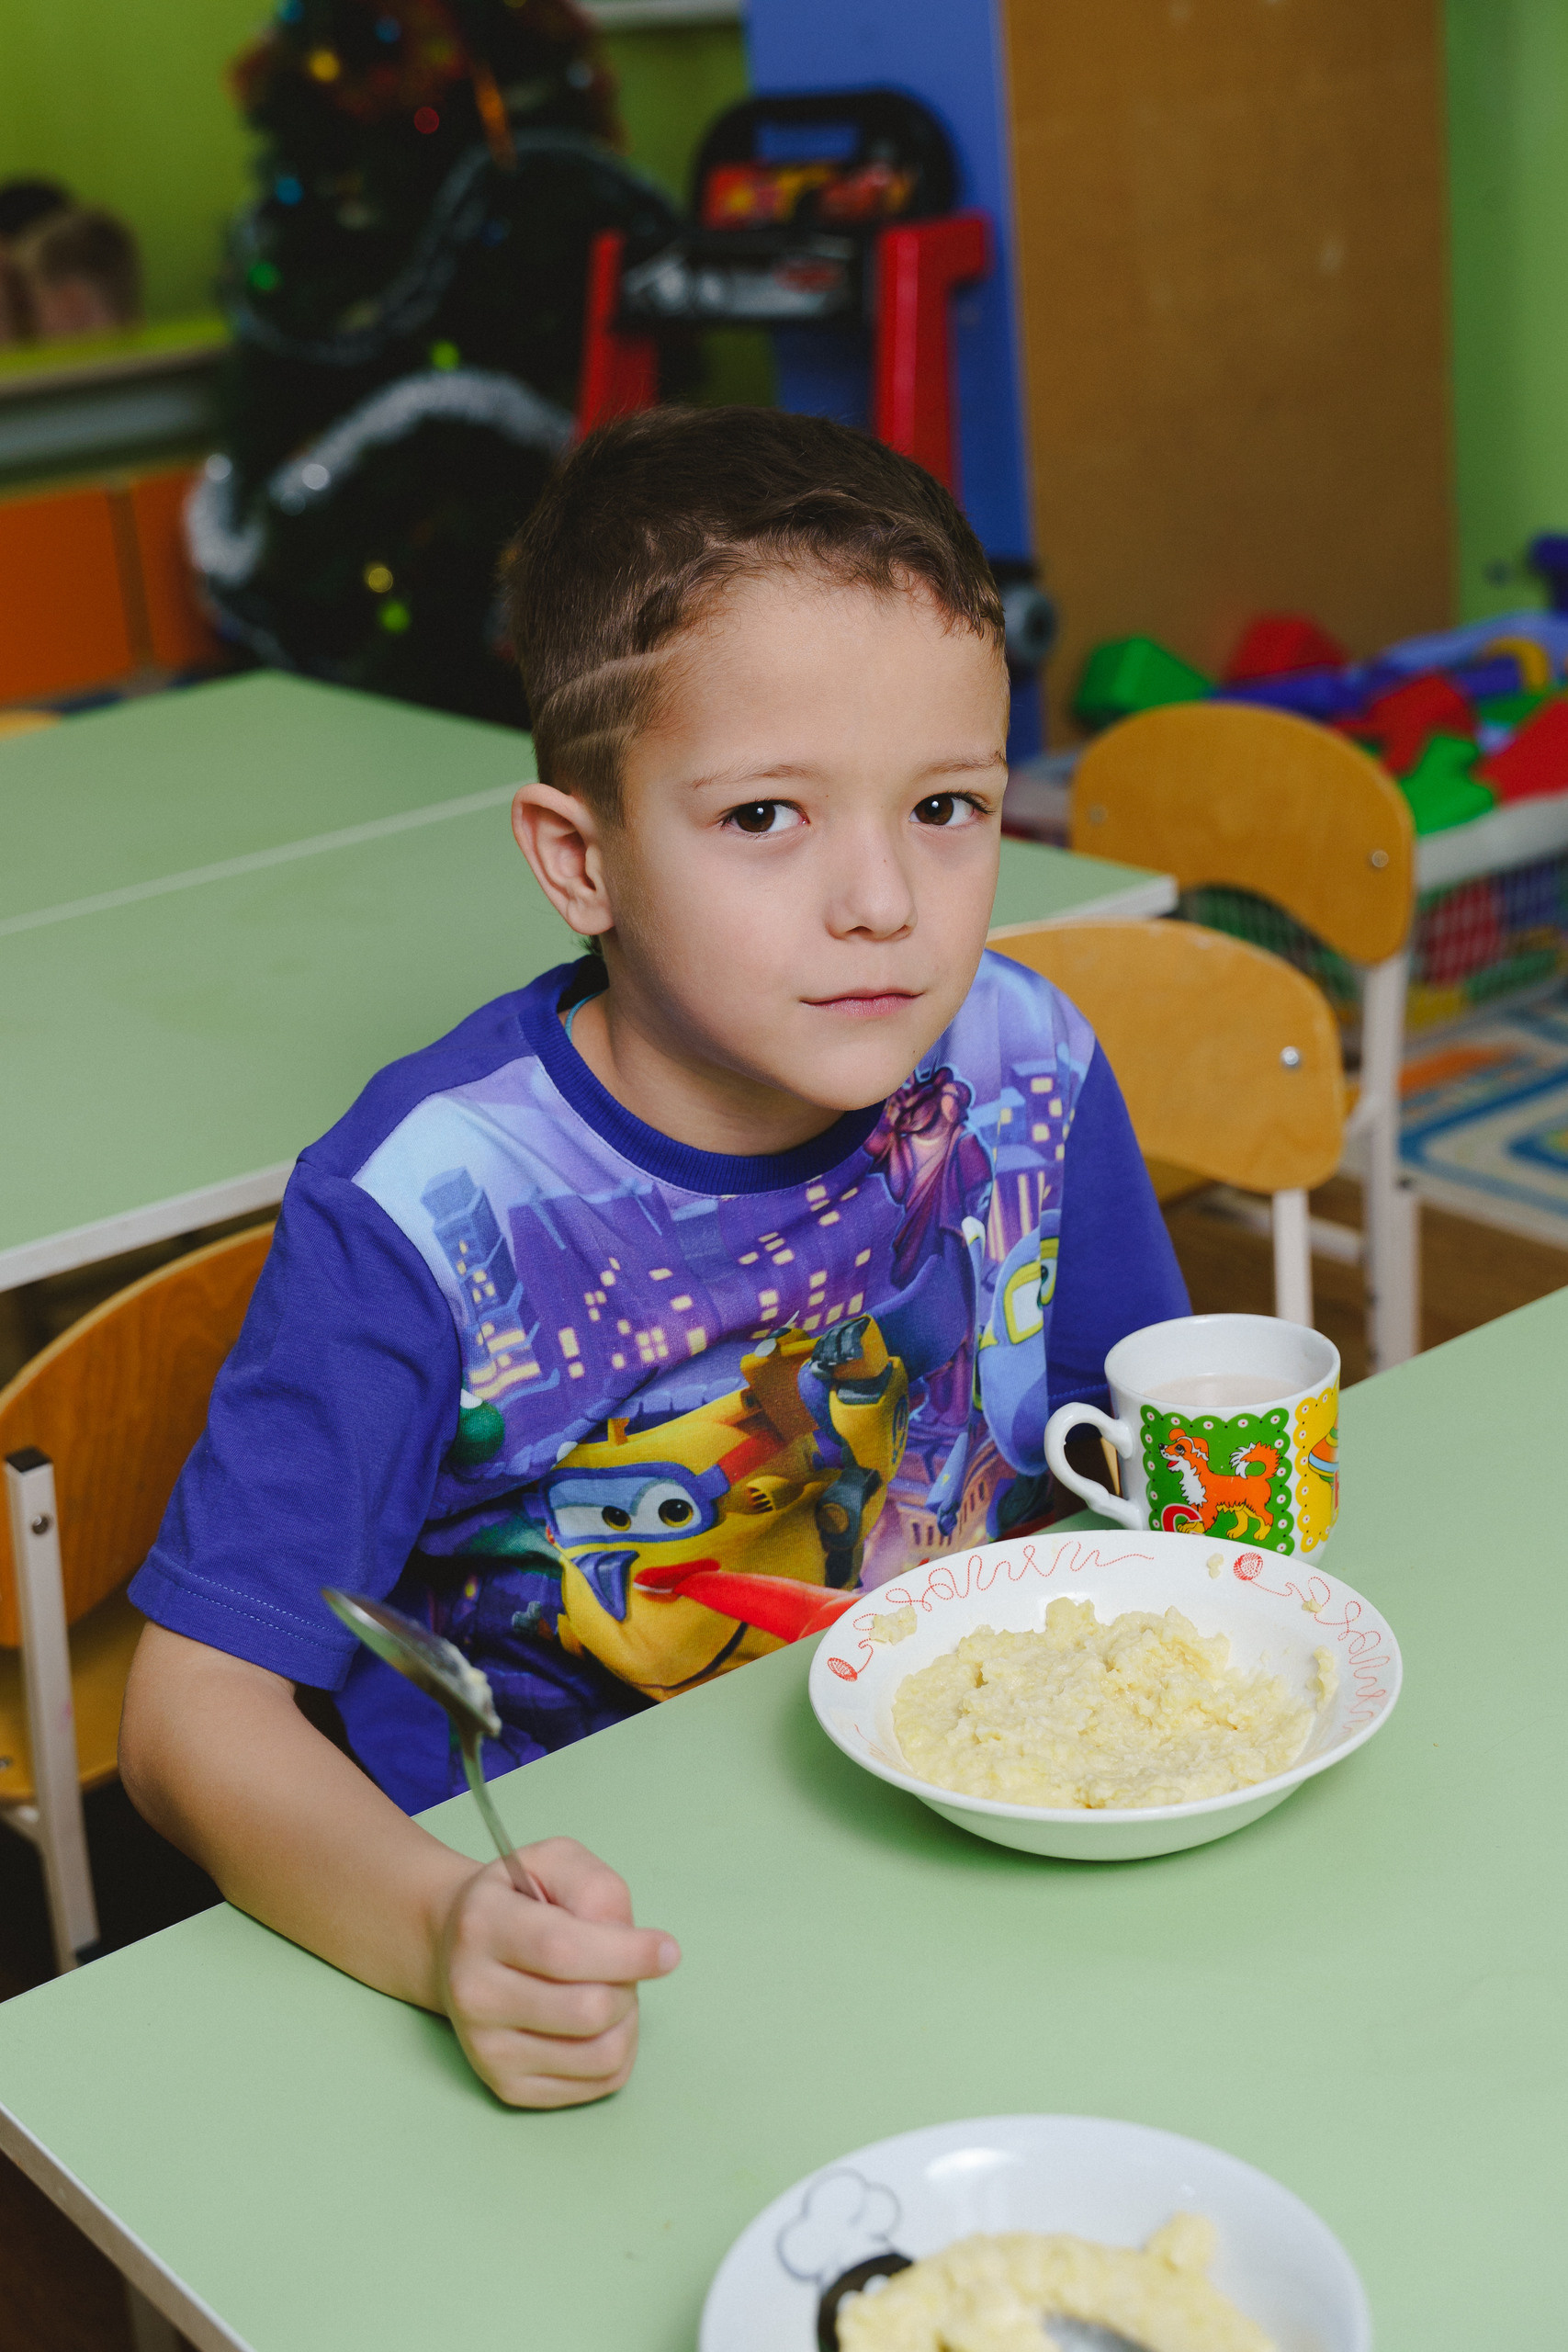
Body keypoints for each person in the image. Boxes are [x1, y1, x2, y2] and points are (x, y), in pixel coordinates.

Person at [119, 407, 1188, 2109]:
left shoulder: (1026, 1057)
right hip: (609, 1941)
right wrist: (443, 1931)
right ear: (581, 859)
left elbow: (1135, 1442)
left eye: (946, 805)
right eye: (765, 815)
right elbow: (188, 1719)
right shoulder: (426, 1209)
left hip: (977, 1852)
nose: (883, 899)